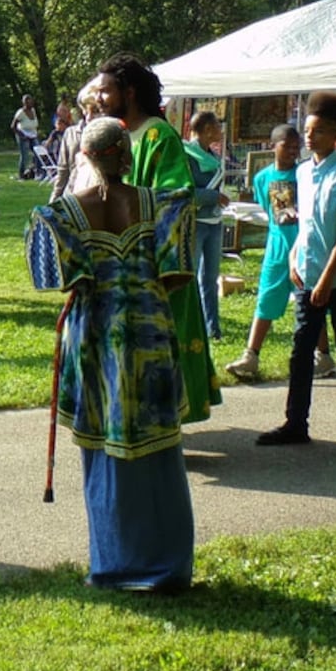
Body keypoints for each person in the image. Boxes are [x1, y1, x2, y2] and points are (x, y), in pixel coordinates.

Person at [25, 116, 194, 592]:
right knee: (159, 452)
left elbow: (52, 280)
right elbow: (176, 278)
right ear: (125, 153)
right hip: (150, 338)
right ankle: (166, 566)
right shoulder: (161, 207)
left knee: (102, 447)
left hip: (96, 339)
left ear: (85, 156)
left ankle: (115, 566)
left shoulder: (62, 216)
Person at [256, 92, 336, 445]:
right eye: (307, 130)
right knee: (301, 350)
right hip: (307, 275)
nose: (308, 137)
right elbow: (306, 222)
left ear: (333, 134)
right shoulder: (302, 172)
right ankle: (295, 422)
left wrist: (328, 278)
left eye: (316, 131)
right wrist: (295, 255)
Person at [94, 53, 219, 421]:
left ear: (129, 92)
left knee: (161, 345)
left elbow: (175, 198)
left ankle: (164, 421)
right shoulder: (113, 135)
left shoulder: (156, 135)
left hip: (153, 264)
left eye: (105, 91)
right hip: (117, 263)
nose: (99, 98)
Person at [226, 124, 305, 382]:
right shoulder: (262, 178)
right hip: (277, 245)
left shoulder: (304, 174)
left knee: (308, 301)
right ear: (274, 146)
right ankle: (251, 354)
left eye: (296, 146)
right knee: (266, 297)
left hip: (303, 245)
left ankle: (321, 354)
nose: (293, 151)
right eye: (287, 146)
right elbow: (273, 212)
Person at [182, 110, 230, 343]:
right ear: (208, 130)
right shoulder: (187, 155)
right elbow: (185, 192)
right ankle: (190, 324)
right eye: (217, 128)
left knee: (210, 278)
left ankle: (213, 328)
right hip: (196, 223)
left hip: (214, 223)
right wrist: (213, 197)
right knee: (190, 276)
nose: (221, 132)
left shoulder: (212, 155)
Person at [50, 80, 101, 203]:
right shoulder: (71, 133)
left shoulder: (113, 135)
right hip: (72, 196)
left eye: (95, 111)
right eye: (86, 110)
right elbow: (62, 172)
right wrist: (53, 202)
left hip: (98, 199)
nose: (89, 117)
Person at [11, 94, 42, 179]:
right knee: (24, 155)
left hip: (33, 134)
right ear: (24, 103)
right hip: (23, 135)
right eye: (27, 101)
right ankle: (21, 175)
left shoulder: (33, 110)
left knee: (38, 153)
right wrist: (21, 135)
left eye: (30, 101)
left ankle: (37, 172)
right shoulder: (21, 112)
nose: (29, 103)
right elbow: (13, 126)